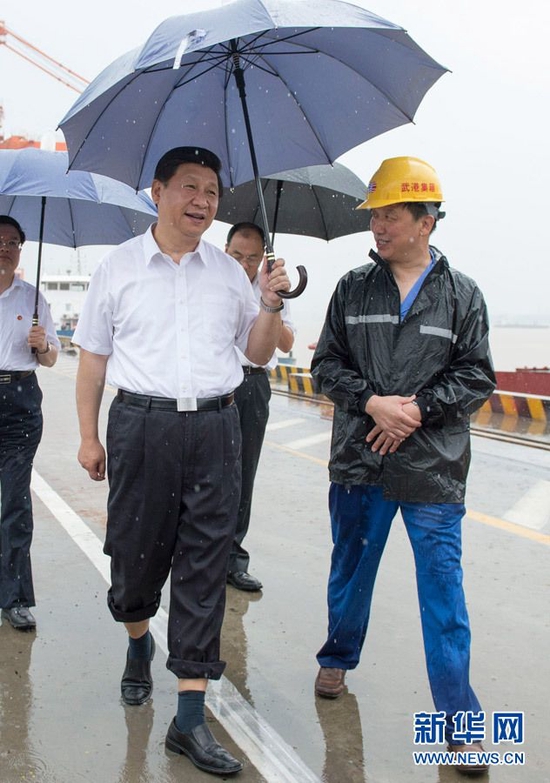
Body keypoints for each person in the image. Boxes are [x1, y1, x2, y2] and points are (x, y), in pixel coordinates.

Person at [73, 147, 290, 777]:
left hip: (217, 425)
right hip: (141, 425)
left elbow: (255, 355)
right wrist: (89, 437)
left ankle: (189, 719)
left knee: (205, 564)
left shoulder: (229, 272)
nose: (203, 201)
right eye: (190, 188)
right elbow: (91, 359)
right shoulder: (117, 269)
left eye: (213, 192)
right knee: (135, 561)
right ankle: (138, 646)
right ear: (157, 190)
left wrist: (269, 303)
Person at [311, 157, 496, 775]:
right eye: (376, 216)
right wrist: (370, 403)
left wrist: (414, 410)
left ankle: (460, 724)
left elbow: (476, 375)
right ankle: (337, 656)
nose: (379, 226)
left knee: (445, 598)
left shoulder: (463, 294)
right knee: (350, 576)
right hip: (359, 465)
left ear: (427, 221)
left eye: (391, 215)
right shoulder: (351, 289)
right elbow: (327, 366)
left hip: (432, 472)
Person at [224, 222, 296, 591]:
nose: (244, 264)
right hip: (215, 384)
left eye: (252, 257)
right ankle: (196, 553)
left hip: (252, 384)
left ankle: (233, 559)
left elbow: (286, 343)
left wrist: (270, 301)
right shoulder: (212, 279)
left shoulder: (272, 285)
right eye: (237, 255)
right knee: (205, 473)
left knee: (243, 472)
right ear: (225, 250)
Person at [0, 215, 60, 631]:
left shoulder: (33, 300)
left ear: (21, 249)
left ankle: (16, 597)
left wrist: (42, 347)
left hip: (20, 402)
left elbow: (53, 357)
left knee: (15, 504)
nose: (5, 247)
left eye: (13, 241)